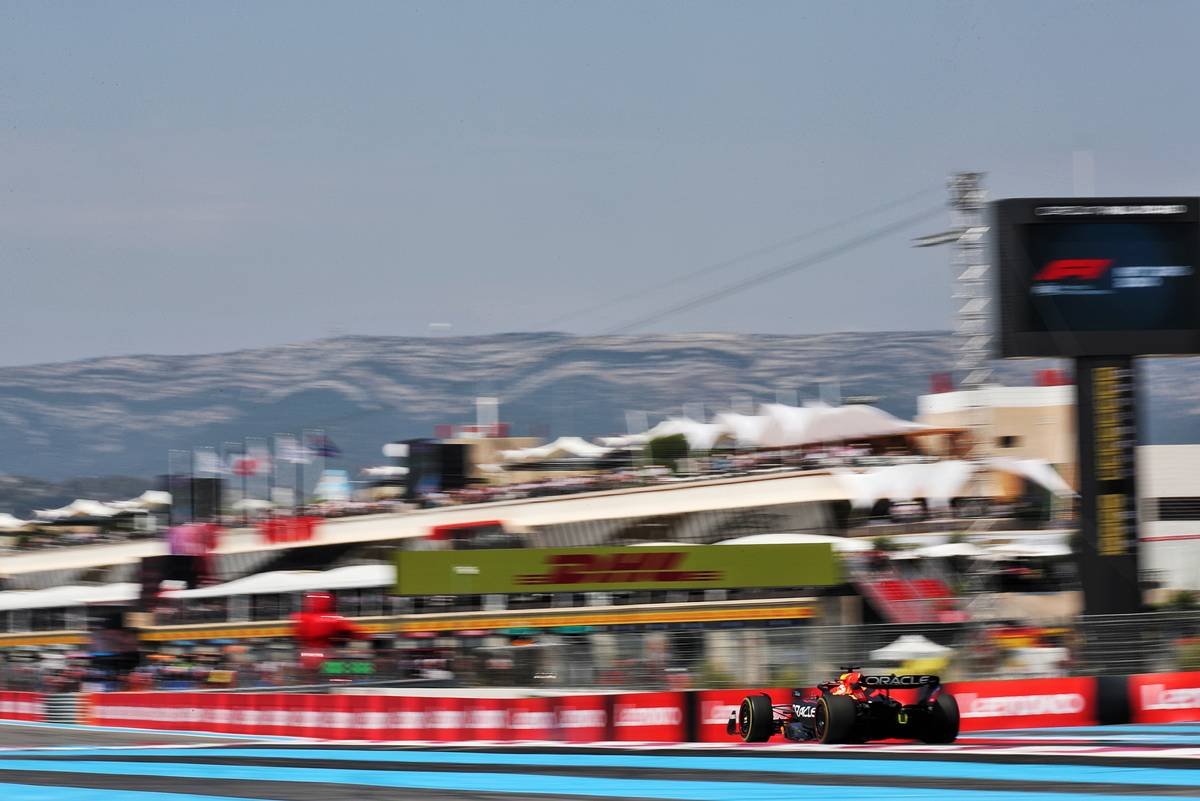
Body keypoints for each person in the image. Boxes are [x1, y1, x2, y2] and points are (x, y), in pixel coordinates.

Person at [292, 591, 366, 674]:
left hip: (304, 660)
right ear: (327, 603)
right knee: (356, 670)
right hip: (325, 661)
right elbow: (357, 633)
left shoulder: (300, 618)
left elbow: (297, 634)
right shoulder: (332, 618)